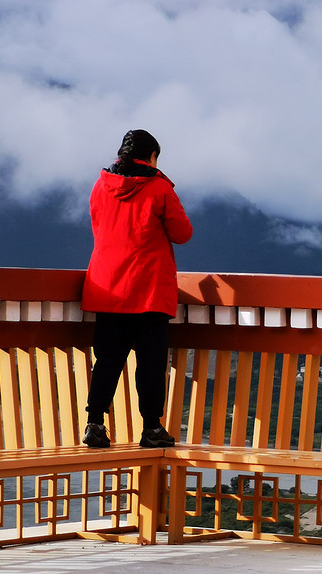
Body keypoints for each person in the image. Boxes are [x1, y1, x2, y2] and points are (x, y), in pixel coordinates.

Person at [81, 129, 192, 449]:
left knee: (107, 360)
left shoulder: (100, 186)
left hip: (107, 288)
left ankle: (95, 424)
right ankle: (152, 428)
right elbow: (182, 233)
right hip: (148, 290)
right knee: (151, 363)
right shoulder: (158, 189)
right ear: (152, 157)